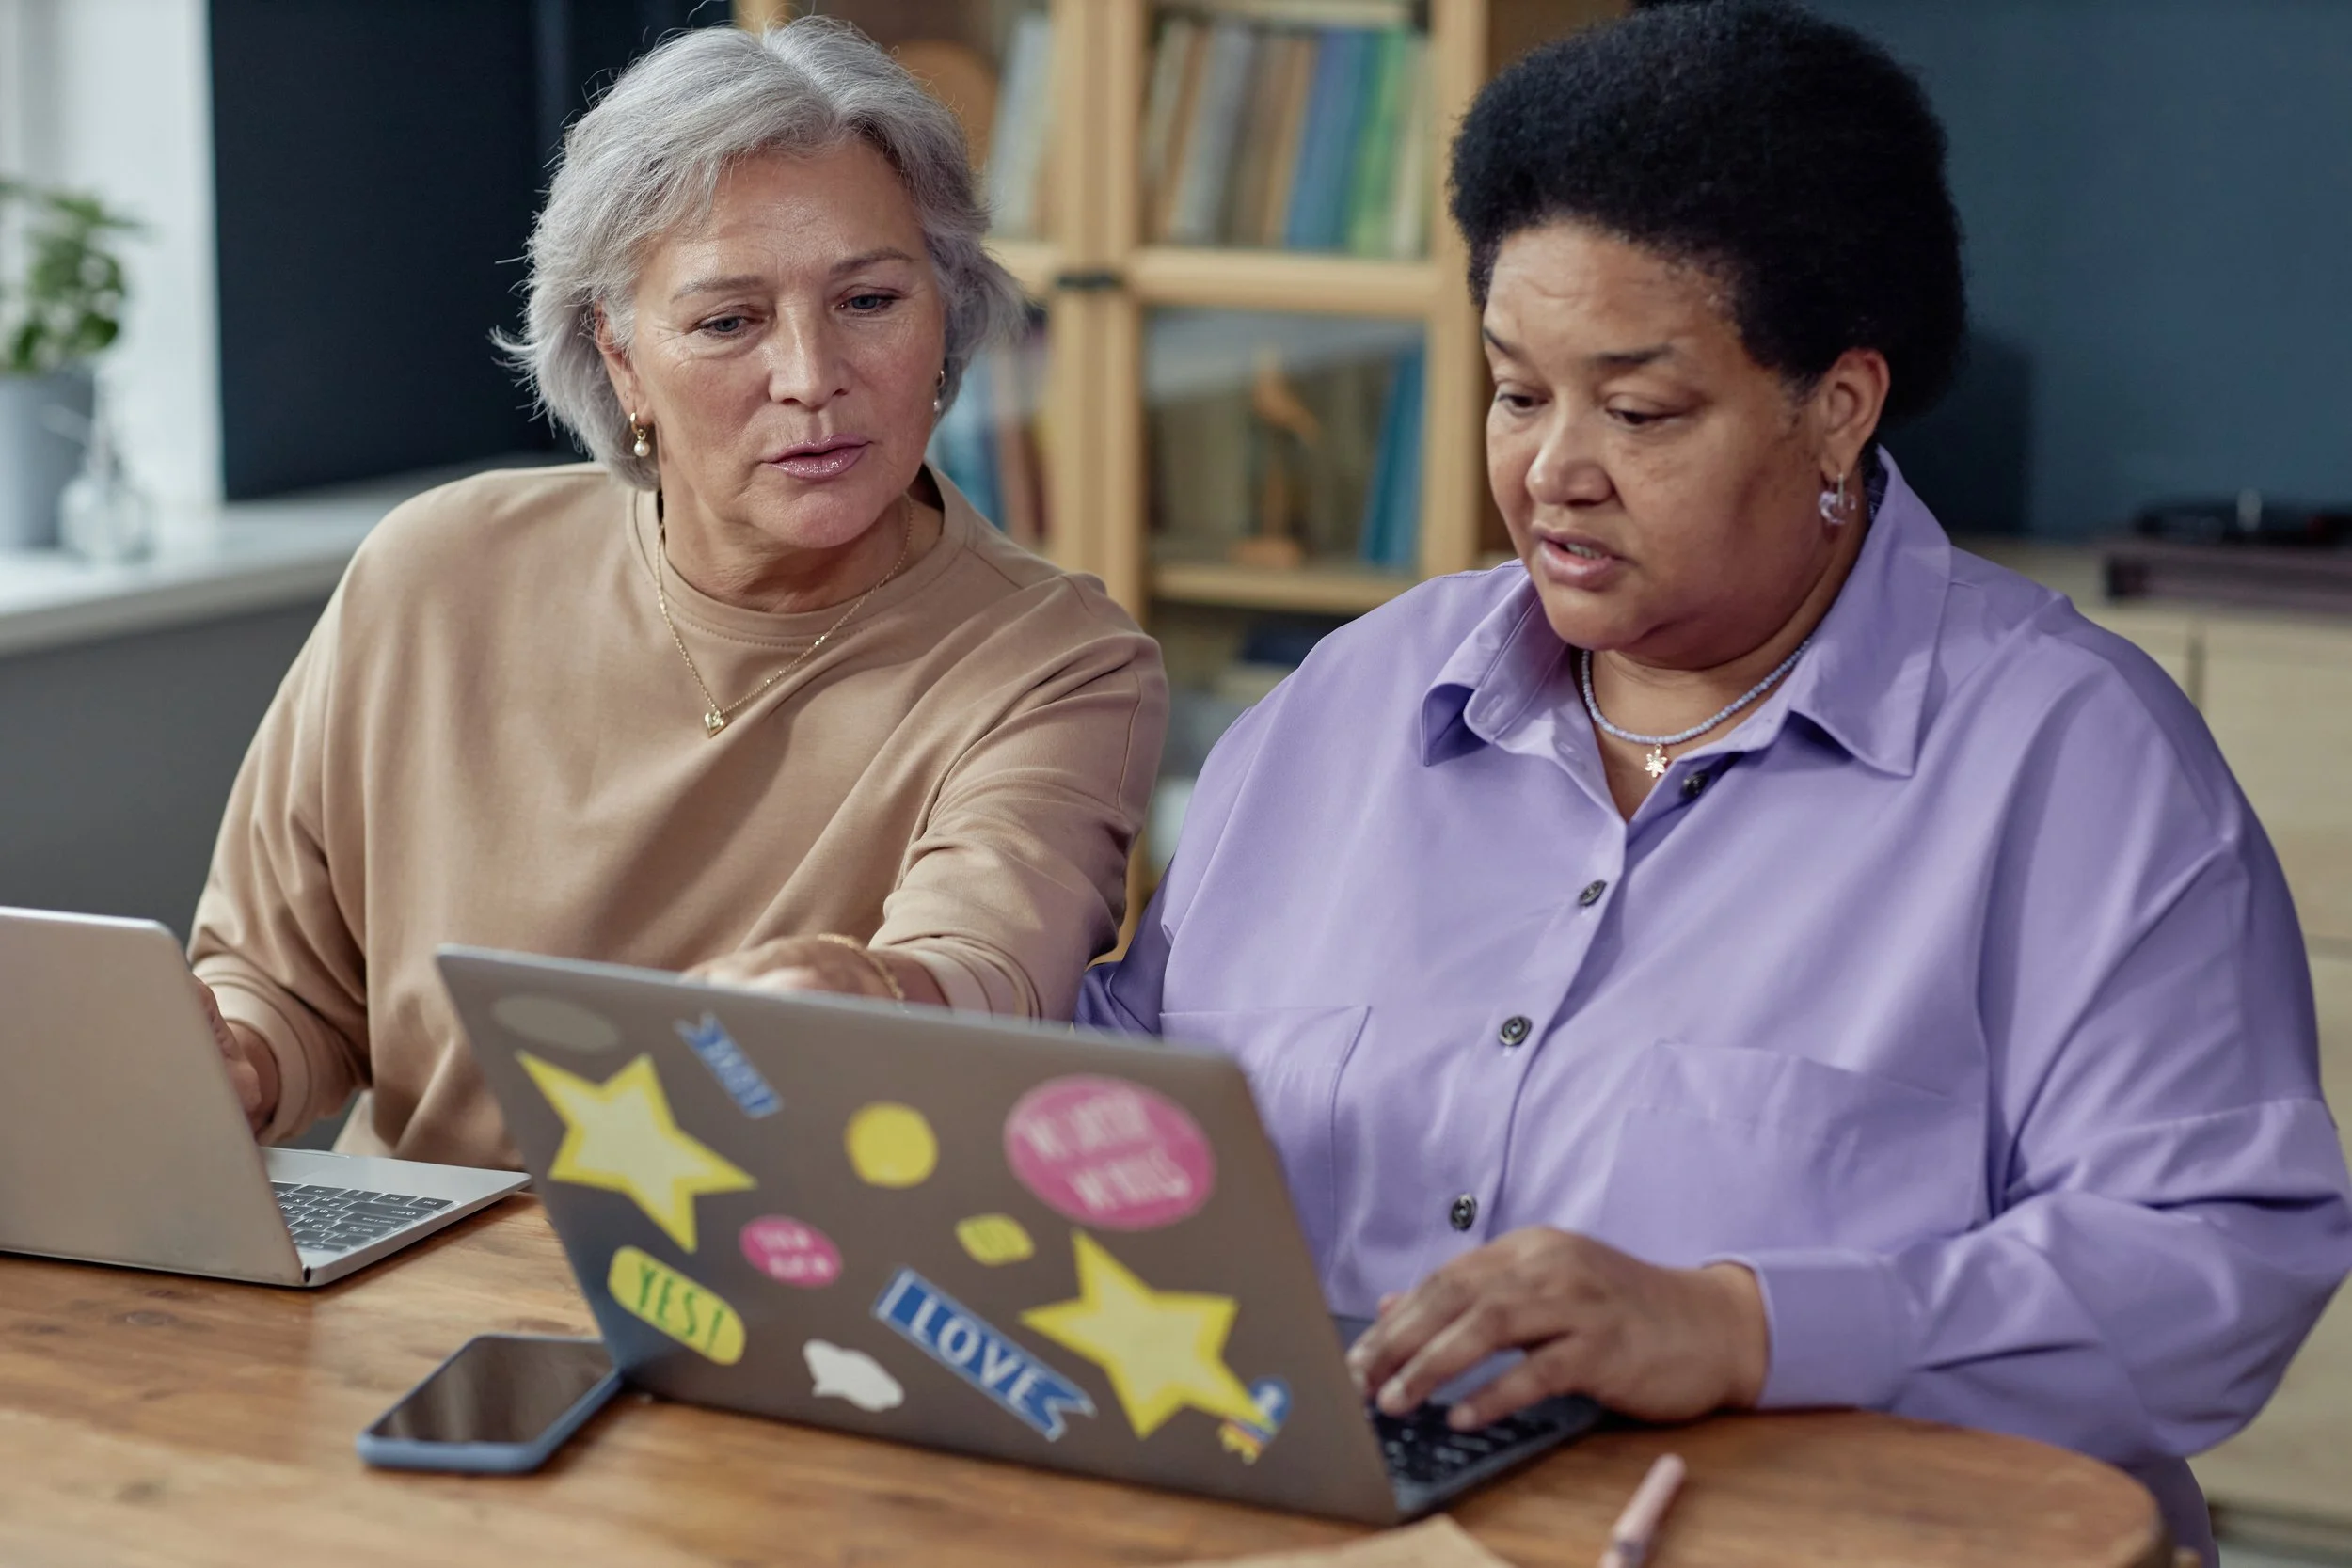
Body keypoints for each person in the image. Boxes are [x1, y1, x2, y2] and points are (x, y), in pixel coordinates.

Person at [1077, 5, 2349, 1560]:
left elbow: (2213, 1271)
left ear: (1841, 405)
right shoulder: (1348, 704)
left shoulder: (2074, 761)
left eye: (1640, 407)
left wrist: (1741, 1324)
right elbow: (1130, 1099)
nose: (1553, 468)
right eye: (1515, 389)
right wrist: (908, 1021)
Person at [190, 20, 1165, 1169]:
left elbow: (987, 979)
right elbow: (279, 984)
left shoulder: (1059, 661)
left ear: (944, 313)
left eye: (868, 301)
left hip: (775, 1302)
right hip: (408, 1281)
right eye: (726, 321)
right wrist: (233, 1059)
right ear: (618, 356)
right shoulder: (436, 571)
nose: (810, 378)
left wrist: (880, 989)